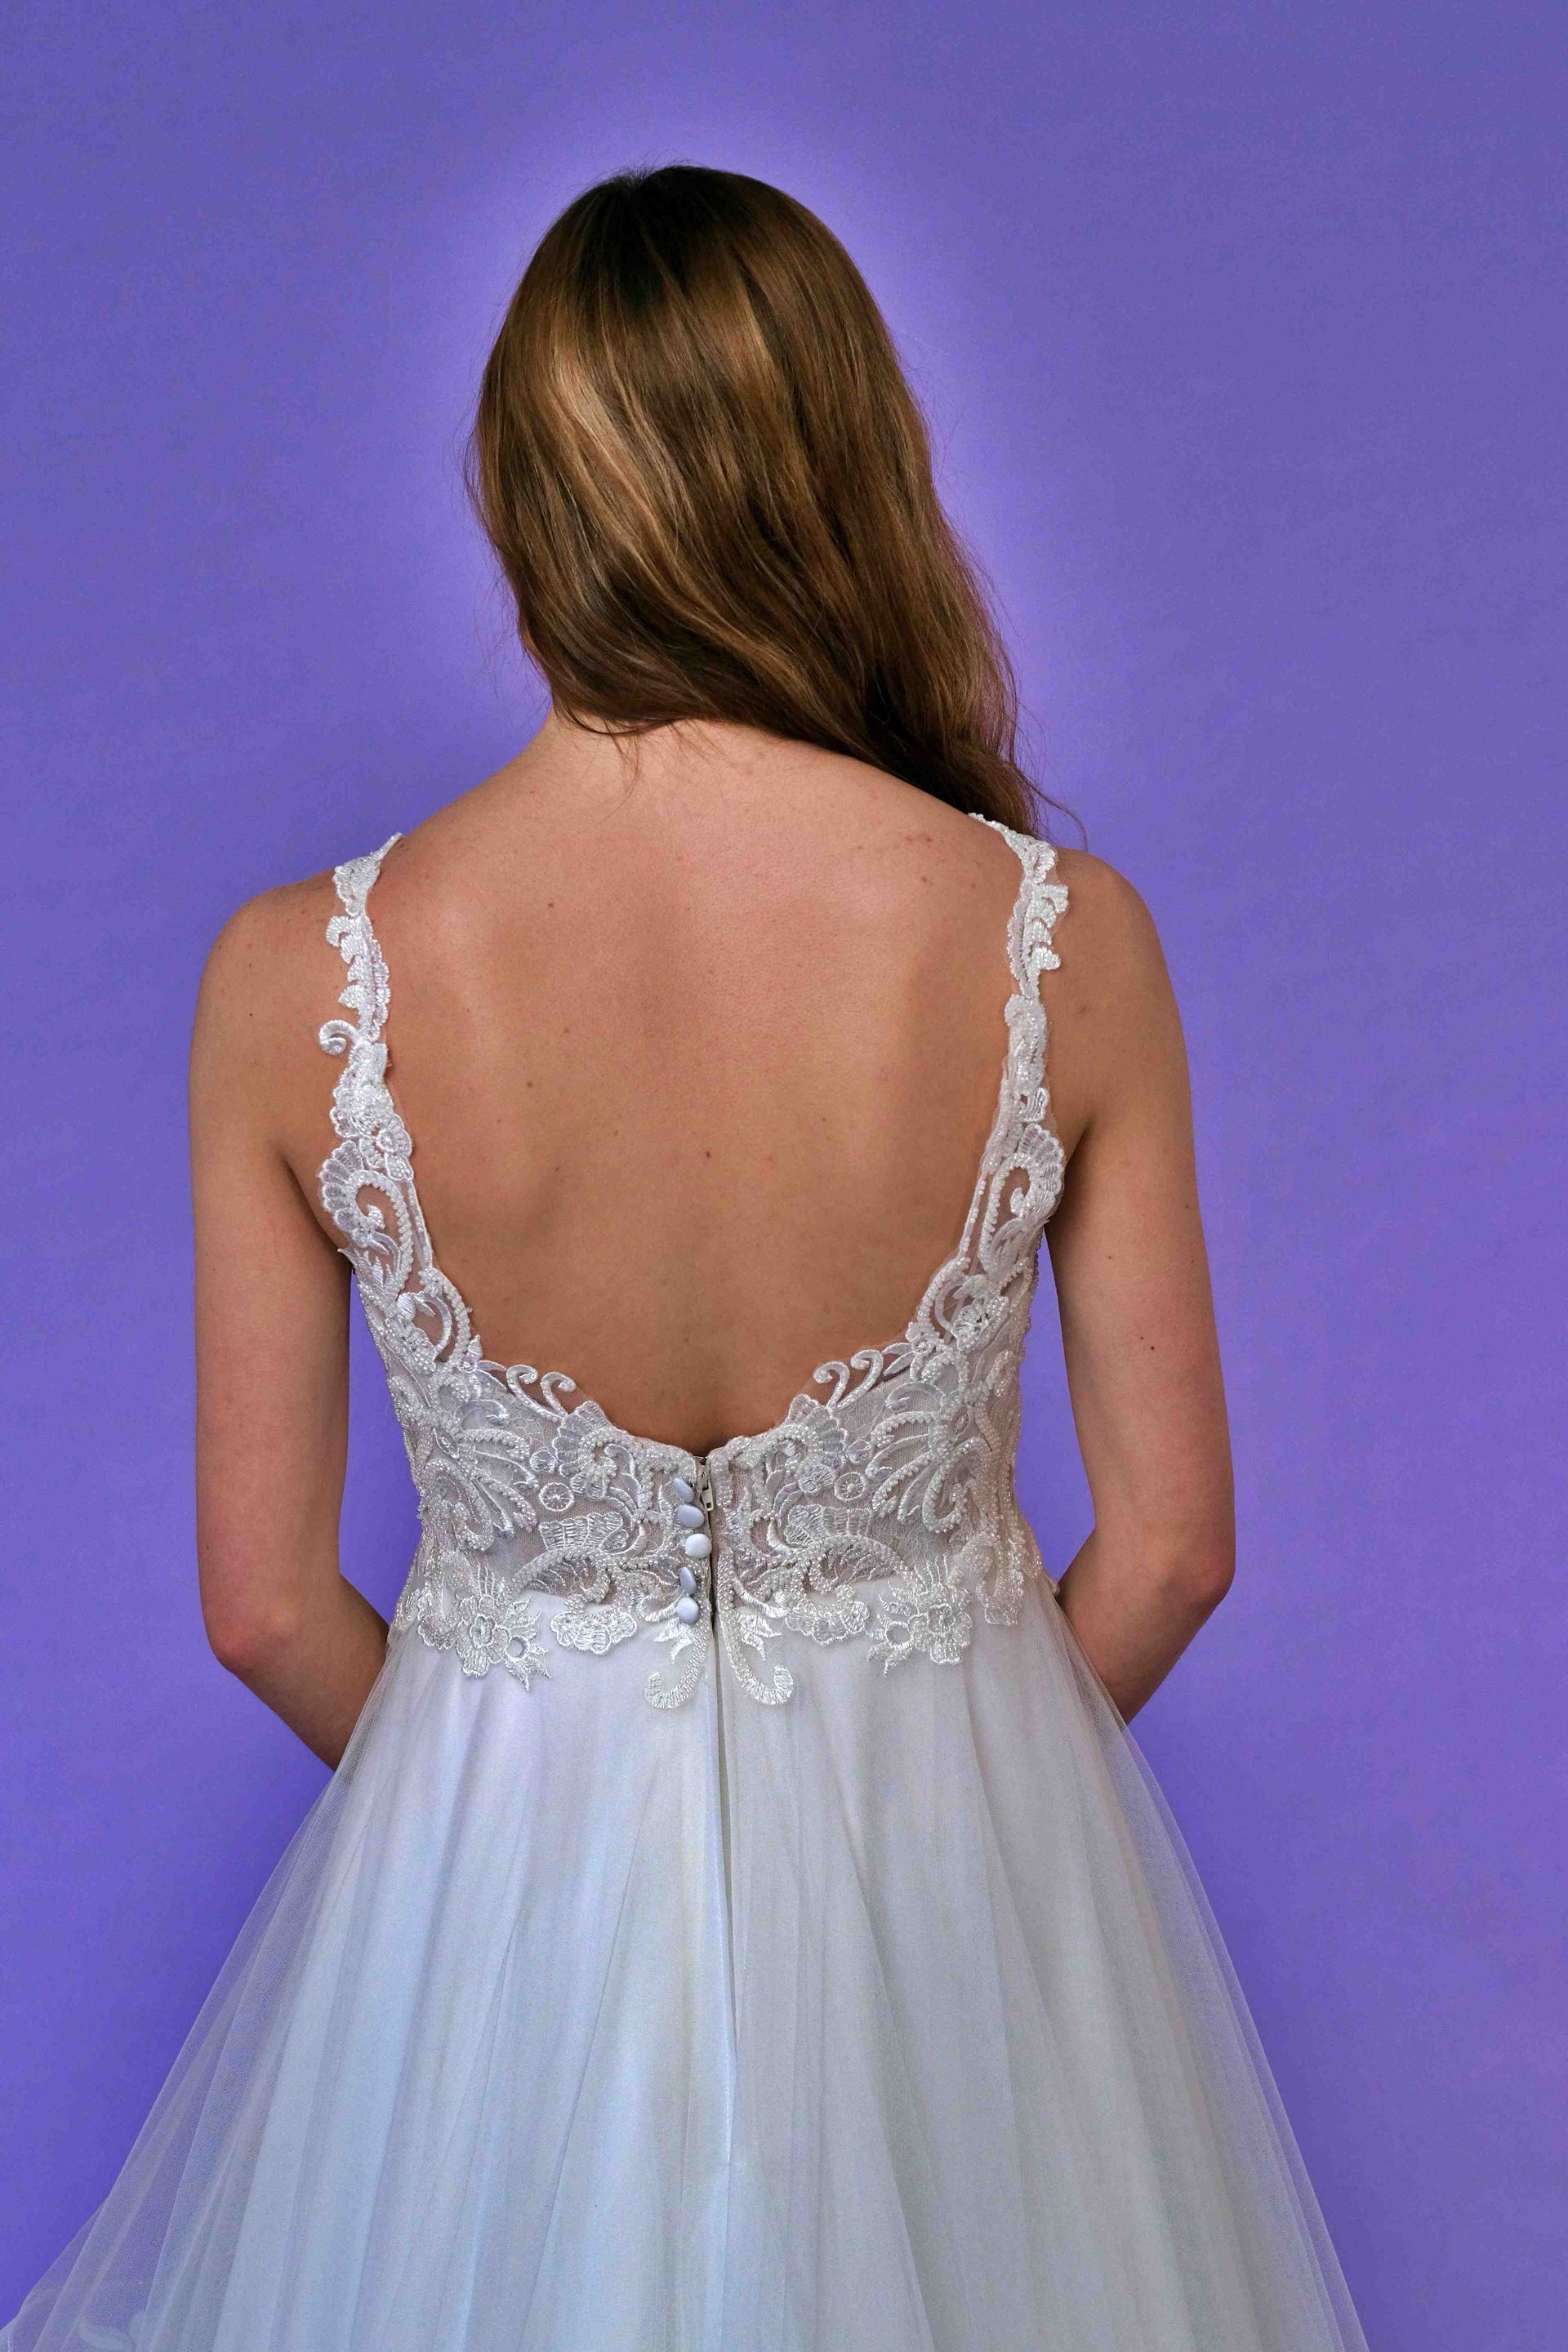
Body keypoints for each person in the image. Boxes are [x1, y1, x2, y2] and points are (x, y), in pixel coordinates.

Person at [2, 164, 1370, 2351]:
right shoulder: (1055, 948)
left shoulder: (296, 983)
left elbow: (262, 1603)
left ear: (528, 509)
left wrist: (522, 1798)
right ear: (849, 484)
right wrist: (941, 1784)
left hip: (493, 1944)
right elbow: (1178, 1546)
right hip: (956, 1930)